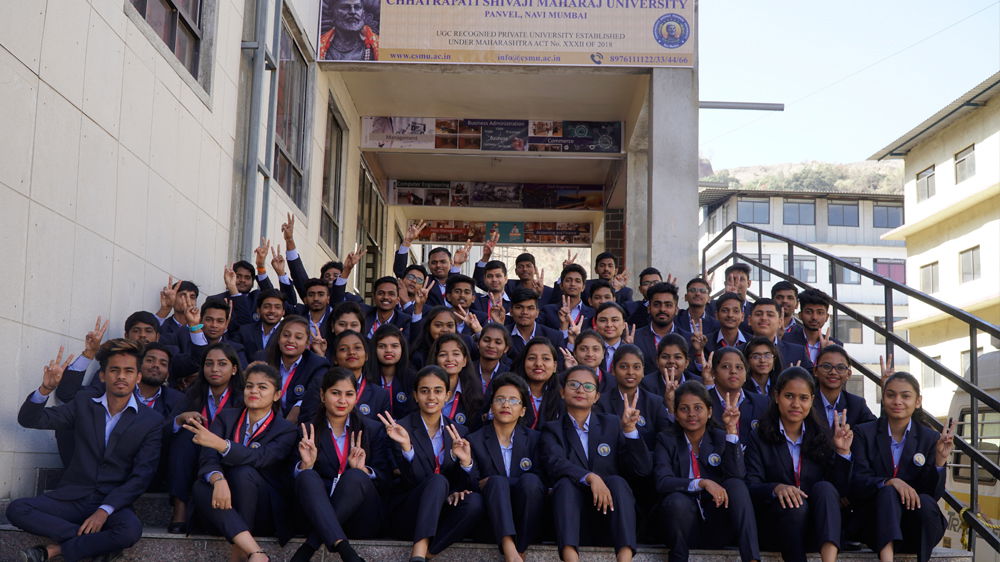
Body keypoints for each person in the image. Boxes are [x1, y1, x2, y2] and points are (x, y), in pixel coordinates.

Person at [8, 340, 163, 562]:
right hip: (72, 497)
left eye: (128, 371)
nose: (121, 376)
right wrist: (46, 389)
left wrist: (104, 511)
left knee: (130, 530)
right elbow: (30, 419)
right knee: (16, 509)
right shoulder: (83, 403)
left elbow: (142, 476)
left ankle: (53, 551)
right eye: (114, 370)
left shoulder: (151, 421)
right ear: (103, 375)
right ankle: (96, 544)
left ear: (138, 377)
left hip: (113, 503)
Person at [187, 363, 298, 562]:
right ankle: (255, 552)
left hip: (263, 510)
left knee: (243, 472)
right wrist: (218, 479)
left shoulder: (285, 429)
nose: (254, 391)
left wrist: (222, 445)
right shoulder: (227, 417)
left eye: (262, 387)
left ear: (277, 395)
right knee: (200, 486)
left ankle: (238, 553)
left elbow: (260, 458)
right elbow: (208, 458)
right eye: (249, 386)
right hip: (223, 503)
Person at [541, 366, 651, 562]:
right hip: (571, 516)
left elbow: (641, 469)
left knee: (617, 482)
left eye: (588, 386)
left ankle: (625, 558)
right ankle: (570, 558)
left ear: (597, 396)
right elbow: (555, 463)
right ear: (562, 392)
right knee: (565, 485)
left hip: (609, 514)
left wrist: (630, 430)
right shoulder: (552, 429)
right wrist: (591, 477)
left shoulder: (611, 423)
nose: (580, 390)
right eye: (573, 384)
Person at [746, 367, 854, 562]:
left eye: (803, 398)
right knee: (795, 506)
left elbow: (839, 491)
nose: (796, 404)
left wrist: (842, 452)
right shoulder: (760, 436)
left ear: (812, 400)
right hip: (778, 526)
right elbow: (751, 485)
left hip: (816, 528)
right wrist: (776, 488)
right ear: (777, 396)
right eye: (789, 396)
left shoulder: (821, 436)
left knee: (825, 488)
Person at [377, 366, 486, 561]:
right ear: (415, 395)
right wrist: (406, 447)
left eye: (438, 391)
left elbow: (471, 483)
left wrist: (466, 463)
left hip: (441, 510)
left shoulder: (459, 430)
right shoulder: (400, 429)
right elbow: (412, 481)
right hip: (408, 512)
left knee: (474, 503)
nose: (431, 397)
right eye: (424, 391)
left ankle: (428, 552)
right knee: (437, 481)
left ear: (447, 395)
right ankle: (418, 553)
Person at [289, 367, 394, 562]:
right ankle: (346, 552)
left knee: (355, 476)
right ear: (322, 395)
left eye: (349, 394)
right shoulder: (307, 431)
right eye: (335, 393)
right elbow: (288, 480)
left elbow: (386, 478)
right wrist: (306, 465)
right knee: (306, 476)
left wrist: (364, 471)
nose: (342, 400)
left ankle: (310, 545)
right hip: (316, 514)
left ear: (356, 397)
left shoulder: (372, 429)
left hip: (360, 516)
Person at [849, 372, 952, 562]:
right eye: (891, 395)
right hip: (876, 524)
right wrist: (890, 482)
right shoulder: (864, 433)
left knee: (928, 503)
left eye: (905, 396)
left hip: (914, 527)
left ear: (918, 401)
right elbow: (858, 481)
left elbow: (933, 494)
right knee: (888, 492)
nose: (897, 401)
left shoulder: (929, 438)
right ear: (883, 397)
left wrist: (939, 461)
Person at [654, 381, 760, 562]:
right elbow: (662, 481)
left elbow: (738, 475)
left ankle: (751, 558)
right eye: (684, 409)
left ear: (710, 412)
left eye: (698, 408)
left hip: (716, 524)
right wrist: (701, 482)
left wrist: (731, 430)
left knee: (736, 485)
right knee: (676, 501)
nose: (691, 414)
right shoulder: (667, 439)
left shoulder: (720, 437)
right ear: (676, 415)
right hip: (681, 525)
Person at [167, 343, 246, 534]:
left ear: (234, 369)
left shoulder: (242, 397)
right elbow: (166, 428)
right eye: (209, 364)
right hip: (194, 455)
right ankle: (180, 507)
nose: (215, 369)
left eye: (222, 364)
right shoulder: (193, 393)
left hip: (225, 454)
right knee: (184, 435)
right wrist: (180, 418)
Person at [467, 373, 546, 562]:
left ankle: (520, 547)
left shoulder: (535, 439)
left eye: (513, 400)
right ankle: (510, 549)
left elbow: (541, 482)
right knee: (497, 483)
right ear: (492, 406)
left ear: (523, 410)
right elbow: (472, 484)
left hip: (527, 521)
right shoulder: (474, 440)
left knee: (528, 480)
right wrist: (467, 465)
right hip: (490, 521)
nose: (506, 404)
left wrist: (500, 482)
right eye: (500, 399)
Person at [596, 345, 671, 449]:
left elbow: (665, 440)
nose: (630, 372)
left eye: (636, 367)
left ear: (643, 371)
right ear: (613, 369)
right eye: (623, 367)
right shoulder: (602, 402)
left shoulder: (655, 402)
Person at [307, 330, 389, 422]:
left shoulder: (380, 395)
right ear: (335, 359)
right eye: (343, 349)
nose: (351, 352)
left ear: (366, 356)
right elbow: (307, 420)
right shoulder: (319, 385)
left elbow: (382, 430)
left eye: (357, 348)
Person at [263, 315, 331, 423]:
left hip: (299, 425)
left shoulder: (318, 365)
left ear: (307, 343)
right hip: (265, 421)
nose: (290, 340)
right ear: (278, 338)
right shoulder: (264, 358)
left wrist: (285, 428)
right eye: (286, 335)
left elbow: (310, 401)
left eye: (298, 337)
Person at [704, 347, 769, 443]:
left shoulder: (762, 403)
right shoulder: (704, 402)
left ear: (746, 375)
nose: (733, 371)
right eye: (726, 366)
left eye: (739, 367)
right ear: (713, 373)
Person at [429, 333, 487, 429]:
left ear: (464, 361)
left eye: (456, 354)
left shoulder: (474, 393)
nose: (450, 359)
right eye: (443, 354)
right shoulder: (425, 390)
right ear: (435, 359)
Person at [633, 282, 691, 375]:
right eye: (657, 304)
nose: (662, 309)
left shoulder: (688, 339)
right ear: (649, 308)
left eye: (668, 305)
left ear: (676, 310)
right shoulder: (635, 338)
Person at [812, 344, 876, 428]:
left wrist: (885, 387)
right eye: (826, 366)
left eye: (840, 367)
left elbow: (876, 430)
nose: (833, 372)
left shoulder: (856, 404)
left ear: (848, 374)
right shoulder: (807, 401)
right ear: (815, 371)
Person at [747, 299, 813, 370]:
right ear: (749, 320)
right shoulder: (738, 352)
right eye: (758, 314)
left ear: (780, 322)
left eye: (770, 315)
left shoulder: (798, 352)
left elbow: (812, 379)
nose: (764, 318)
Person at [515, 337, 564, 429]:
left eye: (545, 358)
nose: (538, 363)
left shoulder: (562, 395)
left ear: (554, 366)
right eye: (532, 358)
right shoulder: (511, 392)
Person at [783, 289, 842, 364]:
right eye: (809, 312)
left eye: (820, 313)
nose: (814, 317)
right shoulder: (786, 341)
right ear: (800, 315)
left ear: (827, 317)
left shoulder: (835, 346)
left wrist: (826, 353)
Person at [367, 324, 415, 417]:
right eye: (382, 346)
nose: (388, 350)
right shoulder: (366, 377)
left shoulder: (412, 378)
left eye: (394, 346)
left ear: (402, 349)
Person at [505, 289, 565, 360]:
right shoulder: (503, 335)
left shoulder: (554, 337)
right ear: (511, 311)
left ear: (537, 312)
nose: (524, 312)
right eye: (519, 307)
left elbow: (559, 368)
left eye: (530, 308)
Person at [234, 289, 287, 361]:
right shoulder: (245, 331)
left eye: (277, 307)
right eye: (267, 306)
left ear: (283, 312)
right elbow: (236, 355)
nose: (272, 311)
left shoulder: (287, 334)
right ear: (258, 310)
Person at [541, 265, 592, 330]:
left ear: (583, 287)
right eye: (568, 280)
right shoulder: (548, 311)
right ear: (561, 285)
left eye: (577, 281)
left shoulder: (592, 313)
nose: (573, 284)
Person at [473, 323, 513, 393]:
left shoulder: (510, 375)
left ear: (506, 348)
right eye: (486, 340)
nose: (491, 346)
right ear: (478, 344)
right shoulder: (466, 370)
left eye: (498, 342)